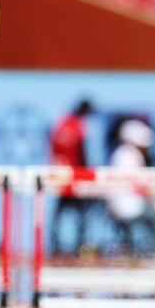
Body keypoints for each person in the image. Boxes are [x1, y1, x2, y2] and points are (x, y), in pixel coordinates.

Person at [106, 118, 155, 256]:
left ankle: (132, 252)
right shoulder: (132, 155)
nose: (147, 148)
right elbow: (142, 187)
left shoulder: (119, 154)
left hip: (116, 207)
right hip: (130, 206)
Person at [49, 99, 96, 256]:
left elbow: (54, 148)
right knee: (80, 212)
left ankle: (55, 244)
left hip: (62, 173)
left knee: (61, 211)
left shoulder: (62, 122)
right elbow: (82, 151)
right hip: (74, 174)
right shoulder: (77, 125)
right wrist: (85, 174)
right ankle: (80, 245)